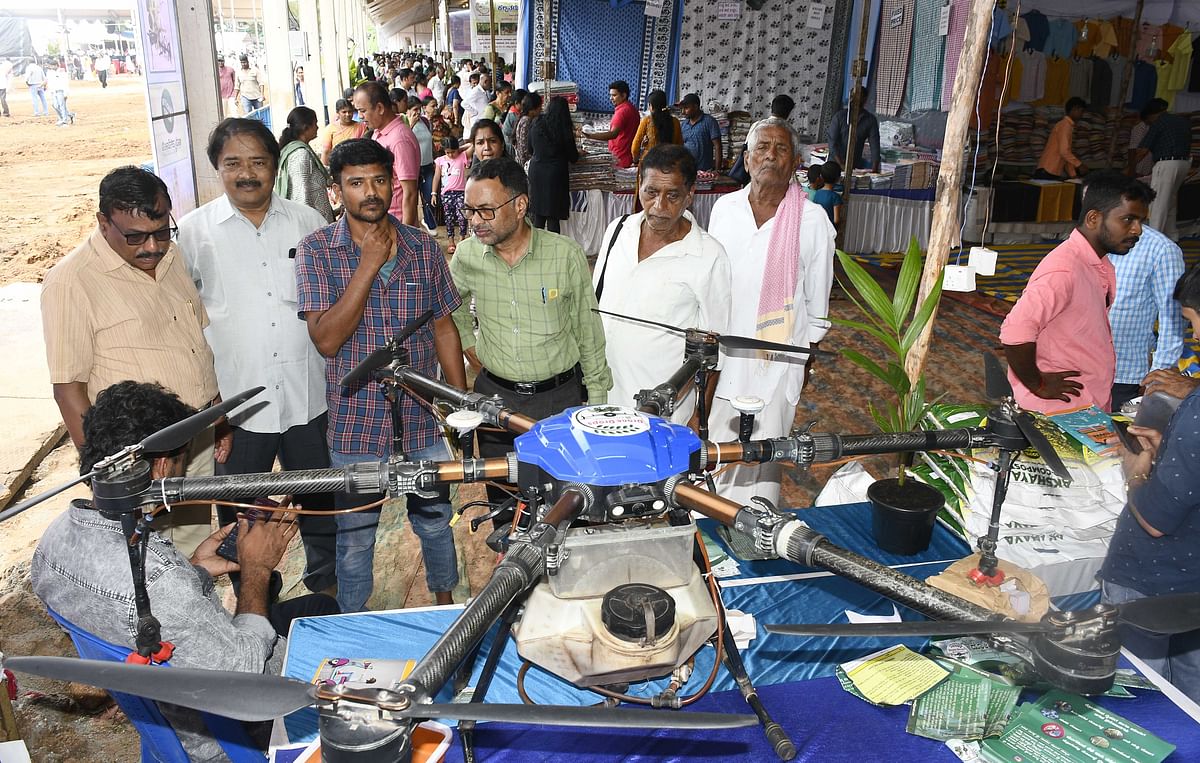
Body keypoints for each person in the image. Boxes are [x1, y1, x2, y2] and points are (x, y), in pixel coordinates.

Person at [31, 381, 339, 761]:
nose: (184, 469)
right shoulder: (159, 581)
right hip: (229, 730)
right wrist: (258, 569)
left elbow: (143, 613)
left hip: (162, 708)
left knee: (314, 609)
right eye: (182, 460)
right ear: (162, 465)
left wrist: (196, 568)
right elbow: (243, 672)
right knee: (330, 623)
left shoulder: (52, 544)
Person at [296, 139, 466, 612]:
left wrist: (458, 402)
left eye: (378, 180)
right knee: (355, 535)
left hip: (422, 414)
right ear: (336, 191)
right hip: (356, 421)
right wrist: (368, 265)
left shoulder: (422, 246)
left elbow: (444, 326)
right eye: (355, 183)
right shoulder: (317, 251)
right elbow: (326, 340)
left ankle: (445, 609)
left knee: (435, 520)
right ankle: (354, 621)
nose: (370, 192)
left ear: (393, 182)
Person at [178, 118, 337, 595]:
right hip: (237, 406)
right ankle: (255, 596)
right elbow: (186, 319)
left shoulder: (309, 223)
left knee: (321, 502)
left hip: (308, 394)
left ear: (275, 165)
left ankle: (325, 588)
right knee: (240, 510)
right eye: (233, 164)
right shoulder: (192, 233)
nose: (247, 174)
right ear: (216, 169)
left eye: (258, 162)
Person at [40, 166, 226, 555]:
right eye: (135, 237)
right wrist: (108, 474)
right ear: (103, 223)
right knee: (145, 558)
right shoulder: (71, 281)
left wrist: (216, 413)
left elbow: (194, 344)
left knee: (190, 553)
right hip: (136, 459)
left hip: (194, 438)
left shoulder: (171, 256)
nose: (152, 248)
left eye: (161, 232)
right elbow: (68, 389)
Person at [449, 157, 611, 524]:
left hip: (559, 401)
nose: (475, 221)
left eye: (486, 211)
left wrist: (597, 400)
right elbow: (451, 303)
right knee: (506, 507)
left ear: (520, 205)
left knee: (565, 506)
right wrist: (468, 344)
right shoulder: (468, 255)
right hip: (496, 402)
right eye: (470, 210)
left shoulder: (564, 254)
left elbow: (587, 327)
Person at [707, 116, 836, 508]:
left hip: (776, 362)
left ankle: (757, 532)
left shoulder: (812, 221)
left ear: (795, 162)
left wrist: (806, 358)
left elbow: (817, 304)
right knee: (716, 450)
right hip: (723, 358)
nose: (770, 156)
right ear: (746, 160)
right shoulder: (724, 209)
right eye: (762, 148)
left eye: (781, 149)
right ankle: (711, 528)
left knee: (764, 454)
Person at [1098, 264, 1200, 704]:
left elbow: (1156, 518)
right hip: (1191, 580)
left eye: (1194, 322)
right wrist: (1171, 445)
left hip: (1156, 580)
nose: (1194, 337)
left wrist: (1137, 465)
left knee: (1140, 694)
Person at [594, 144, 731, 425]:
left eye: (672, 195)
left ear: (690, 195)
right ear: (639, 186)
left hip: (661, 410)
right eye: (651, 192)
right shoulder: (618, 230)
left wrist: (697, 417)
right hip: (602, 399)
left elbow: (714, 351)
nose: (659, 207)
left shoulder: (708, 255)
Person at [1000, 172, 1155, 414]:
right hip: (1060, 410)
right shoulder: (1065, 269)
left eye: (1141, 222)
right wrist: (1037, 384)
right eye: (1128, 219)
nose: (1137, 230)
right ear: (1093, 218)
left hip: (1085, 402)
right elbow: (1015, 332)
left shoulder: (1097, 264)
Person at [1108, 225, 1186, 411]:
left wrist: (1156, 381)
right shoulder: (1081, 245)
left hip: (1124, 377)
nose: (1136, 228)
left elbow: (1173, 320)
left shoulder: (1160, 250)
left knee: (1118, 437)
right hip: (1077, 372)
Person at [353, 81, 421, 227]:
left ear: (379, 108)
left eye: (363, 111)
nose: (360, 116)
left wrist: (405, 235)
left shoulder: (399, 139)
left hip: (396, 223)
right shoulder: (377, 133)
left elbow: (409, 193)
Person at [1132, 98, 1193, 239]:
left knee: (1158, 203)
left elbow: (1142, 150)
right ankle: (1172, 236)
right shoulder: (1182, 121)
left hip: (1167, 163)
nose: (1148, 125)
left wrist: (1128, 169)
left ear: (1150, 115)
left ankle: (1152, 240)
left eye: (1148, 122)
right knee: (1170, 201)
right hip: (1183, 164)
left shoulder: (1158, 122)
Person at [527, 97, 579, 233]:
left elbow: (530, 149)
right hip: (555, 175)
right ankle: (553, 251)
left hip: (537, 171)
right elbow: (573, 157)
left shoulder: (536, 122)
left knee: (538, 213)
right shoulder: (563, 127)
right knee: (552, 216)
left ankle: (534, 248)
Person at [274, 107, 335, 223]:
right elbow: (301, 194)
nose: (317, 127)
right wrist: (305, 225)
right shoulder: (300, 154)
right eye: (315, 123)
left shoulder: (296, 150)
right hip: (311, 224)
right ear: (305, 127)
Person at [586, 80, 639, 169]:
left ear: (624, 95)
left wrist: (589, 136)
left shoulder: (622, 112)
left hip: (619, 158)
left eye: (614, 95)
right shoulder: (631, 108)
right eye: (610, 95)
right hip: (626, 156)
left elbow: (613, 134)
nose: (611, 98)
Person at [828, 85, 881, 172]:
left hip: (854, 164)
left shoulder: (870, 120)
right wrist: (841, 164)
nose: (853, 99)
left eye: (857, 96)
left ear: (865, 99)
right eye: (851, 96)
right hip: (834, 164)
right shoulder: (839, 117)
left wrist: (875, 170)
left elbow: (875, 146)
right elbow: (832, 143)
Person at [1035, 97, 1088, 180]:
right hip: (1048, 171)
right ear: (1074, 109)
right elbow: (1064, 152)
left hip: (1050, 171)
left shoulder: (1067, 126)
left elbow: (1066, 155)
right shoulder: (1065, 126)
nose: (1082, 115)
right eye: (1081, 111)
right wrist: (1079, 165)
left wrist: (1073, 175)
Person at [407, 97, 438, 231]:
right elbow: (404, 140)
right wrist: (411, 124)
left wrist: (435, 157)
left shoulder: (425, 121)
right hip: (413, 167)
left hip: (428, 165)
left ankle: (429, 221)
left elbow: (429, 140)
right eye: (414, 110)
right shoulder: (404, 123)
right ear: (407, 110)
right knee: (412, 197)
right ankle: (413, 225)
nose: (418, 113)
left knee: (429, 194)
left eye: (419, 109)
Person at [433, 136, 469, 250]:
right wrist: (433, 193)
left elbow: (473, 145)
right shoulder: (440, 161)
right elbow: (436, 177)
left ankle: (462, 239)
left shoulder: (462, 156)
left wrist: (460, 149)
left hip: (461, 192)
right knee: (449, 218)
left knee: (462, 217)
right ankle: (451, 241)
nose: (450, 155)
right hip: (446, 194)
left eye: (453, 152)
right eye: (447, 152)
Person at [631, 89, 682, 165]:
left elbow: (635, 147)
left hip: (649, 164)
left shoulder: (647, 121)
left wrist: (635, 160)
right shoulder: (675, 122)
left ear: (651, 106)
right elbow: (680, 145)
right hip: (669, 163)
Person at [678, 93, 722, 173]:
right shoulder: (684, 124)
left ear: (695, 107)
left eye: (686, 108)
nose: (683, 112)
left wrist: (717, 169)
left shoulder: (709, 121)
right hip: (688, 170)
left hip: (706, 171)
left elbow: (717, 146)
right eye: (682, 109)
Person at [318, 98, 368, 165]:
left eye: (350, 111)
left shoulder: (362, 127)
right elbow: (326, 151)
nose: (347, 114)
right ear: (338, 113)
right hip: (338, 165)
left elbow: (365, 148)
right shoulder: (330, 128)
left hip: (357, 164)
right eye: (344, 112)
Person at [808, 162, 843, 227]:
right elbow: (836, 220)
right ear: (838, 178)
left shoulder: (817, 193)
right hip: (829, 229)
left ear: (821, 177)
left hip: (819, 226)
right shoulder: (836, 197)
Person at [511, 92, 542, 166]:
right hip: (524, 164)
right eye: (540, 107)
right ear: (533, 109)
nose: (541, 109)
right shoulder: (526, 121)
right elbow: (524, 148)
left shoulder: (524, 118)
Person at [47, 60, 75, 127]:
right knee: (55, 105)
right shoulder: (50, 73)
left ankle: (64, 120)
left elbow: (65, 82)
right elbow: (50, 82)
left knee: (62, 106)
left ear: (56, 65)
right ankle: (70, 115)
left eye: (52, 65)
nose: (51, 67)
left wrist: (66, 93)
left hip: (61, 91)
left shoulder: (62, 72)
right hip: (54, 91)